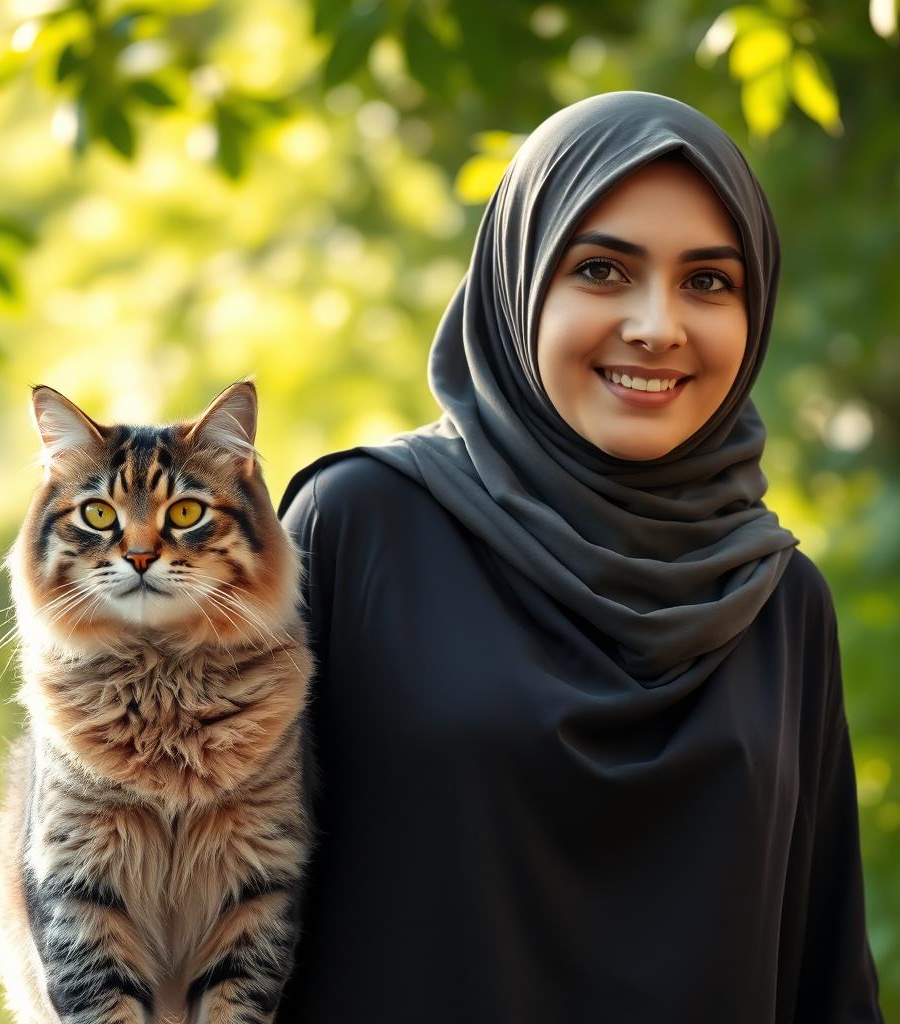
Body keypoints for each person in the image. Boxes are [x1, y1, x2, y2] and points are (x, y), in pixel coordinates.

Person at [273, 91, 884, 1023]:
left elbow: (824, 973)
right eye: (602, 269)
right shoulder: (362, 526)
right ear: (519, 286)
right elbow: (206, 913)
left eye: (710, 282)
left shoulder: (779, 601)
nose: (658, 326)